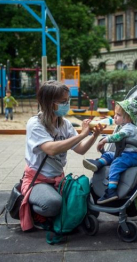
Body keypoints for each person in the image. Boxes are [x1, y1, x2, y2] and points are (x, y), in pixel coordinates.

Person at [20, 80, 104, 231]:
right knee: (53, 204)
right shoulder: (35, 124)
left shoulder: (65, 124)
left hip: (58, 178)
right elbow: (51, 149)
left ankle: (57, 211)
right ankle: (37, 213)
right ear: (49, 103)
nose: (67, 104)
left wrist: (93, 136)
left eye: (68, 100)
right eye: (63, 101)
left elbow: (80, 149)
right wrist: (83, 134)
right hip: (38, 181)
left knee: (90, 206)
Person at [82, 98, 137, 204]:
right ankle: (99, 163)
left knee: (116, 164)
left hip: (133, 156)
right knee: (110, 154)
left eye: (118, 115)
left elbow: (119, 136)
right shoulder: (123, 126)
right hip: (125, 154)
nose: (115, 116)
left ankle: (111, 191)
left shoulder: (130, 128)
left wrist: (105, 140)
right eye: (115, 114)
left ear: (128, 117)